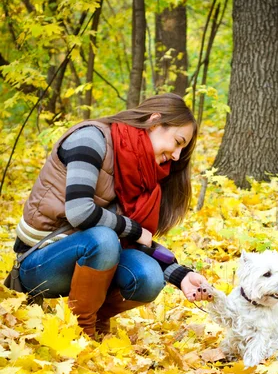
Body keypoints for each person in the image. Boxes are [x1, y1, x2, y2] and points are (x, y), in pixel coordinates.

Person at [14, 93, 212, 337]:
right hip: (40, 261)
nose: (176, 156)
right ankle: (82, 334)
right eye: (178, 142)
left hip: (88, 255)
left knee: (150, 276)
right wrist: (136, 230)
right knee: (105, 239)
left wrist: (180, 275)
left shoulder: (138, 170)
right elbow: (80, 212)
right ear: (154, 121)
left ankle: (92, 319)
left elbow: (132, 237)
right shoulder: (91, 139)